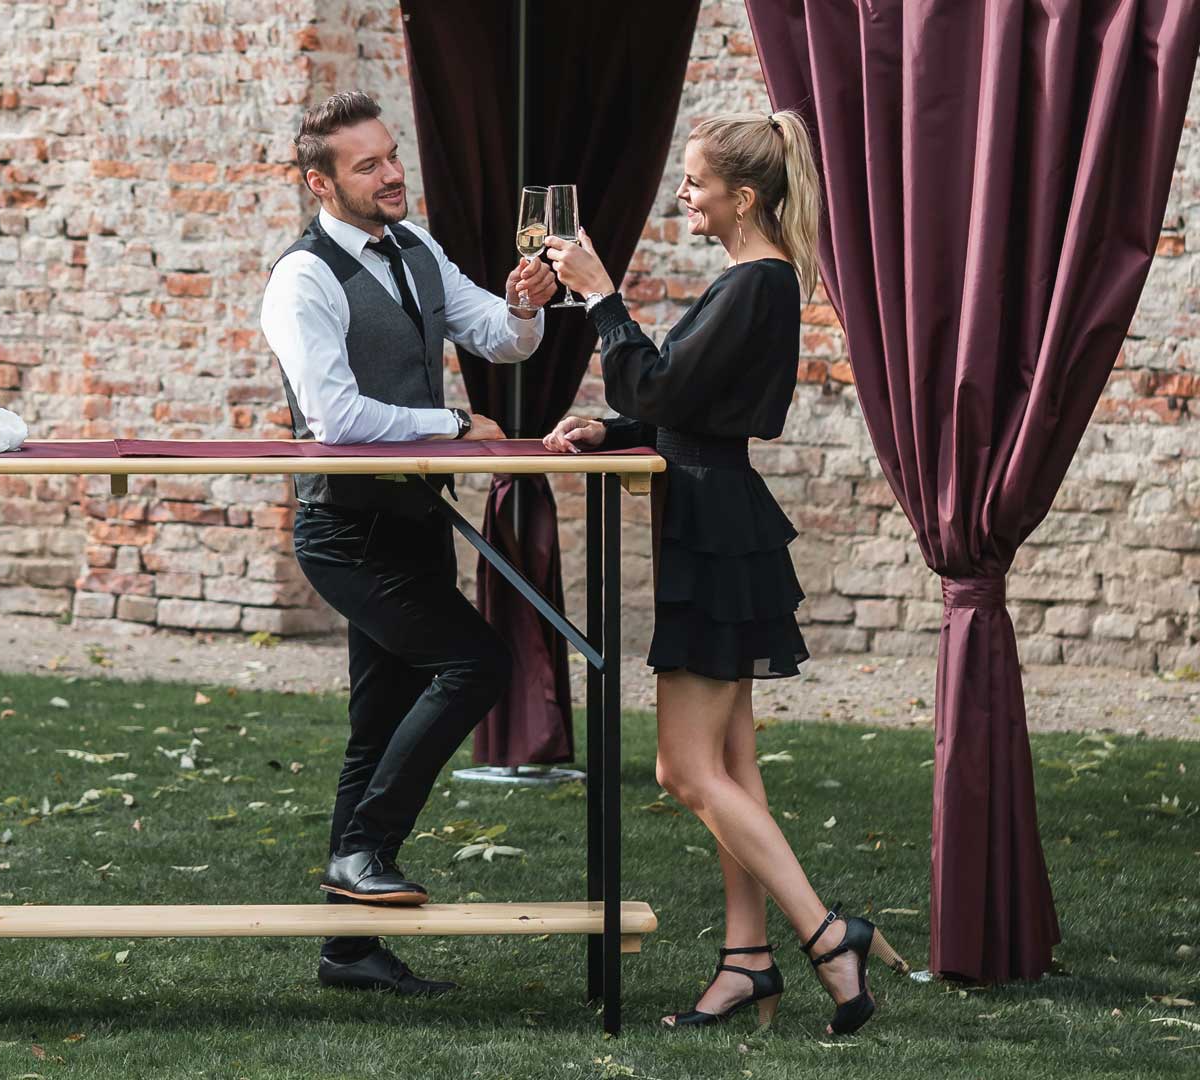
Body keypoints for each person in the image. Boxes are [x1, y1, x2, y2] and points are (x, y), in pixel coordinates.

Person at [542, 110, 908, 1035]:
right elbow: (683, 407)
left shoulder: (757, 285)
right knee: (733, 764)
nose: (685, 197)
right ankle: (746, 962)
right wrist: (610, 429)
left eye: (697, 183)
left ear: (743, 196)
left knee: (683, 769)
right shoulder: (753, 284)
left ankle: (829, 937)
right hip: (718, 524)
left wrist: (599, 295)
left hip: (712, 537)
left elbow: (660, 388)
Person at [259, 89, 557, 996]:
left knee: (374, 726)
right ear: (321, 182)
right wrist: (452, 422)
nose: (392, 175)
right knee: (476, 663)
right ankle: (362, 851)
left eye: (392, 156)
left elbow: (499, 339)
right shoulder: (302, 278)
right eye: (368, 165)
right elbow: (334, 417)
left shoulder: (417, 248)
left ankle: (347, 950)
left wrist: (526, 303)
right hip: (344, 531)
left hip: (420, 521)